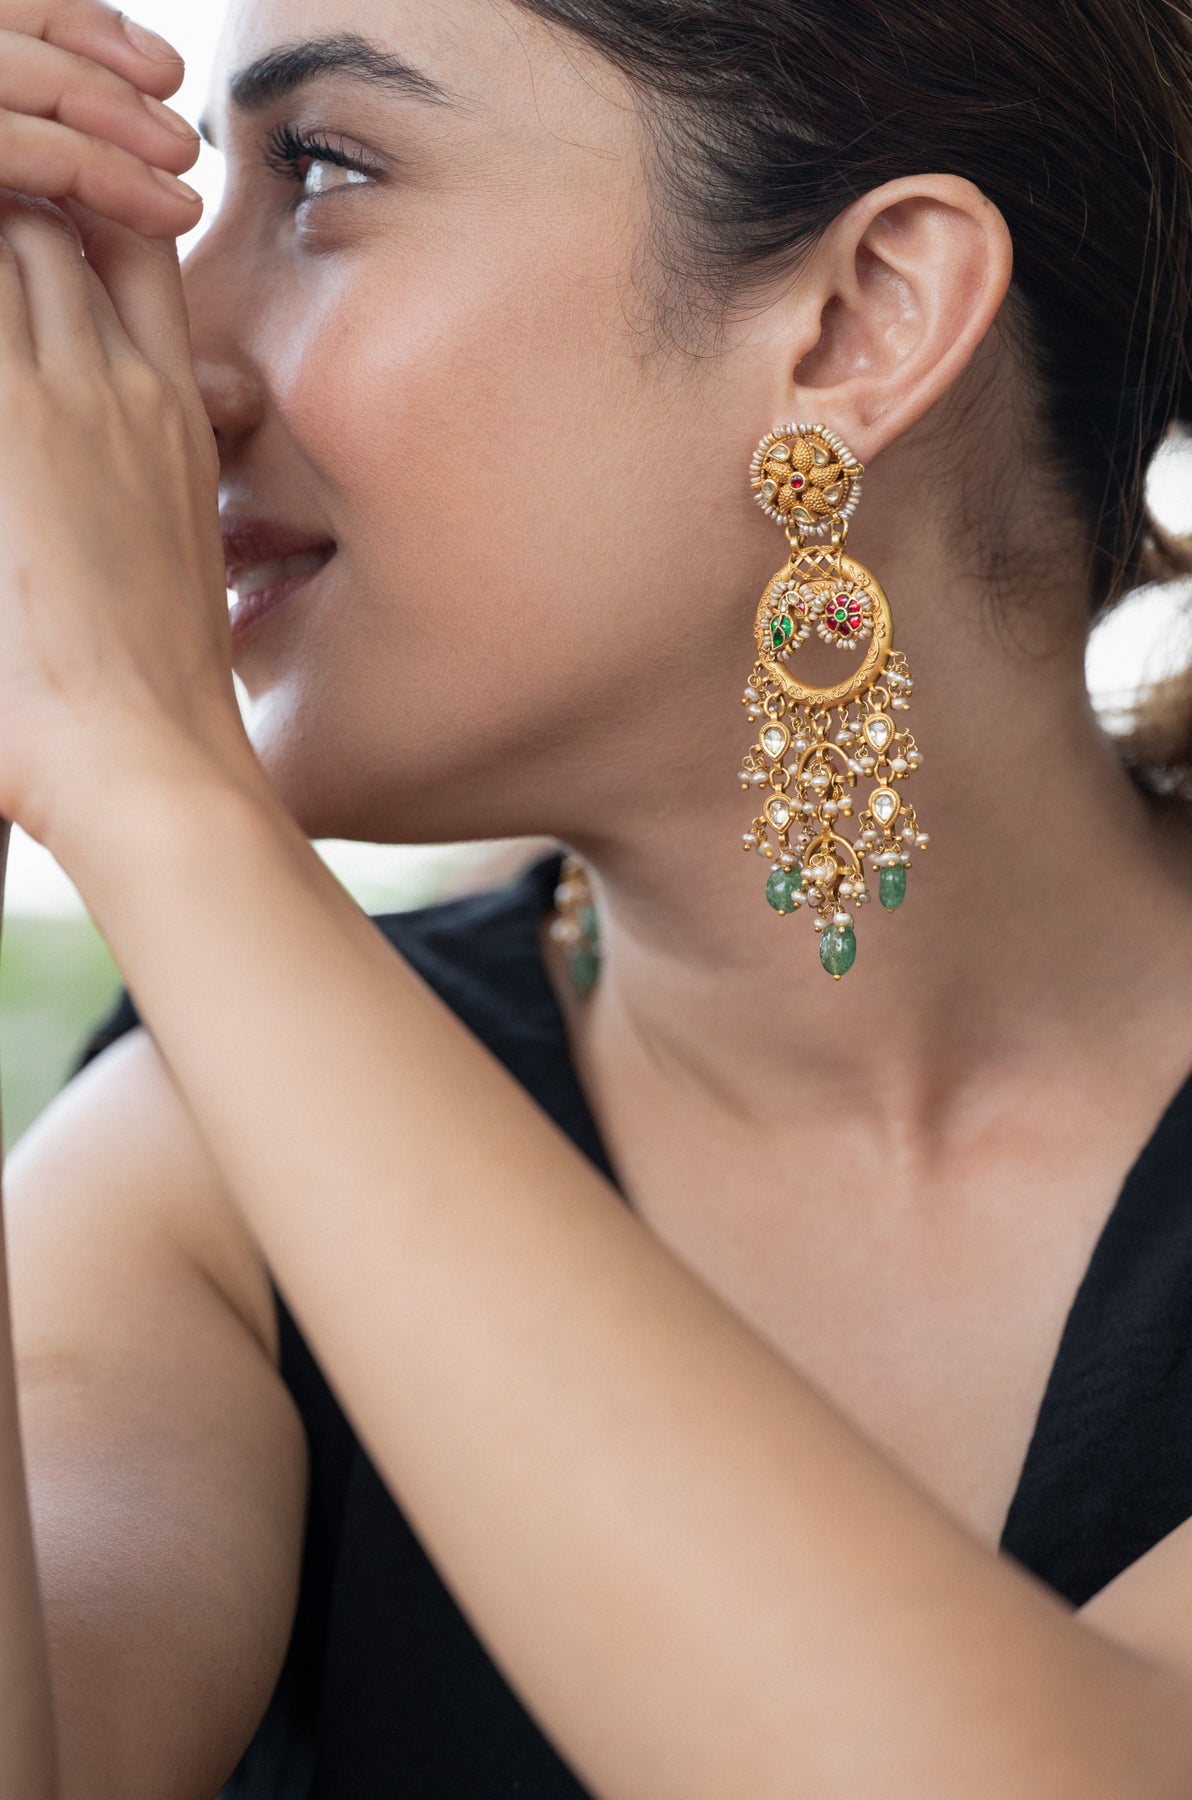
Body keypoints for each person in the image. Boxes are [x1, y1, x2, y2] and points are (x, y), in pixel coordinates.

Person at [0, 0, 1191, 1793]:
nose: (174, 366)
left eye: (321, 171)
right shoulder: (192, 1174)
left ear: (860, 319)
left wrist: (145, 777)